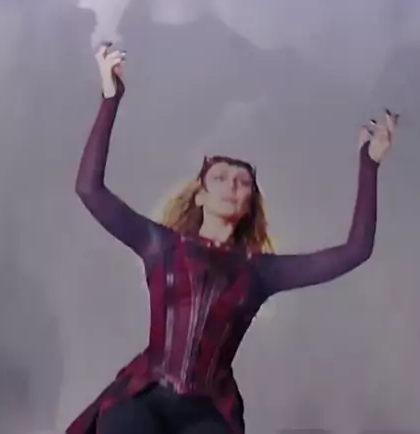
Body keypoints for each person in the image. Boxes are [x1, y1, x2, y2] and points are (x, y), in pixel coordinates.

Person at [67, 43, 398, 434]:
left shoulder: (261, 272)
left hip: (207, 410)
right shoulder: (162, 246)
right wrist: (111, 98)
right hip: (144, 394)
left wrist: (369, 164)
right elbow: (89, 189)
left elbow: (356, 250)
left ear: (249, 204)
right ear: (201, 196)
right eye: (220, 178)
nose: (231, 186)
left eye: (242, 183)